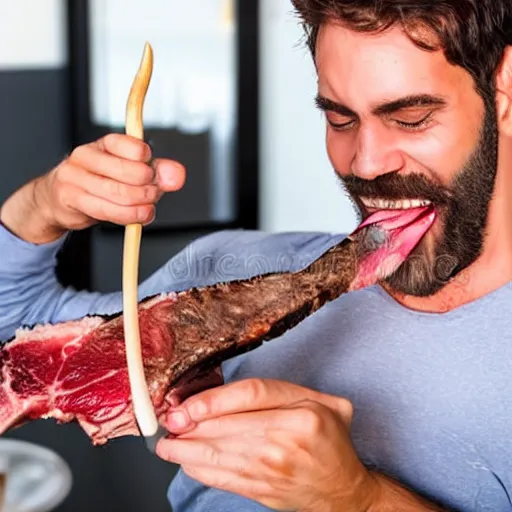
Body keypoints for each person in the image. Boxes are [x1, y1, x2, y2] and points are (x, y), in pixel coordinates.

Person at [1, 0, 511, 510]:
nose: (366, 162)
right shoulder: (234, 272)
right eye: (340, 119)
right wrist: (42, 206)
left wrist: (361, 499)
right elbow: (18, 341)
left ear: (505, 90)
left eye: (410, 118)